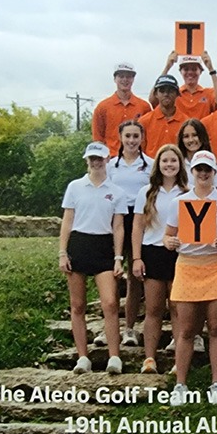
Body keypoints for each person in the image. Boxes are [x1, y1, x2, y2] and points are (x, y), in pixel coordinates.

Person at [165, 151, 217, 406]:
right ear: (192, 172)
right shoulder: (180, 201)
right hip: (187, 266)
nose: (204, 173)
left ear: (214, 172)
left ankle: (216, 383)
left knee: (216, 328)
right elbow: (167, 236)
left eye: (208, 169)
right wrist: (171, 242)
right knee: (186, 330)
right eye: (199, 169)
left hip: (215, 266)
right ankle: (181, 384)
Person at [58, 142, 128, 375]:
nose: (96, 162)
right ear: (86, 160)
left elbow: (118, 227)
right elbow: (67, 221)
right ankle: (82, 357)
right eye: (92, 159)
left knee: (110, 302)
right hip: (79, 244)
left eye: (99, 158)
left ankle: (114, 356)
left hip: (103, 245)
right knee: (77, 305)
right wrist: (62, 252)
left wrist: (118, 257)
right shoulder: (75, 187)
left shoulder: (117, 192)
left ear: (107, 160)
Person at [131, 144, 189, 374]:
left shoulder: (188, 192)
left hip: (179, 254)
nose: (169, 164)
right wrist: (136, 258)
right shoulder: (146, 192)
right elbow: (137, 226)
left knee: (177, 308)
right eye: (164, 161)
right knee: (154, 308)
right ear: (158, 164)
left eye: (173, 161)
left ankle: (179, 360)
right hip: (152, 251)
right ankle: (149, 359)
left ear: (179, 164)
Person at [105, 121, 154, 348]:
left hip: (140, 220)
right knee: (112, 277)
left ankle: (130, 329)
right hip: (116, 220)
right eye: (128, 136)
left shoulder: (150, 165)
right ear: (120, 138)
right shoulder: (110, 166)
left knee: (135, 279)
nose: (132, 141)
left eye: (136, 136)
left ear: (142, 138)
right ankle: (110, 329)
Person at [92, 62, 152, 157]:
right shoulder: (102, 107)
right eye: (121, 76)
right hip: (111, 159)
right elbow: (98, 139)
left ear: (133, 79)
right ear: (115, 79)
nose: (125, 80)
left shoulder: (144, 106)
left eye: (128, 77)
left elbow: (148, 136)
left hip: (137, 159)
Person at [149, 52, 217, 120]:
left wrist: (211, 69)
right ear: (180, 71)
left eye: (194, 69)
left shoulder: (208, 93)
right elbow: (153, 100)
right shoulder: (174, 94)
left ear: (200, 71)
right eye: (186, 69)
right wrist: (167, 67)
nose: (190, 72)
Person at [139, 75, 188, 158]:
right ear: (156, 94)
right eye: (162, 90)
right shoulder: (144, 121)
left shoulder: (186, 122)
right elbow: (139, 151)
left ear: (177, 94)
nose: (166, 94)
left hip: (177, 168)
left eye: (170, 91)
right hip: (150, 168)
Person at [177, 118, 217, 190]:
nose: (191, 140)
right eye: (186, 136)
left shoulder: (213, 165)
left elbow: (216, 196)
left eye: (195, 135)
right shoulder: (176, 164)